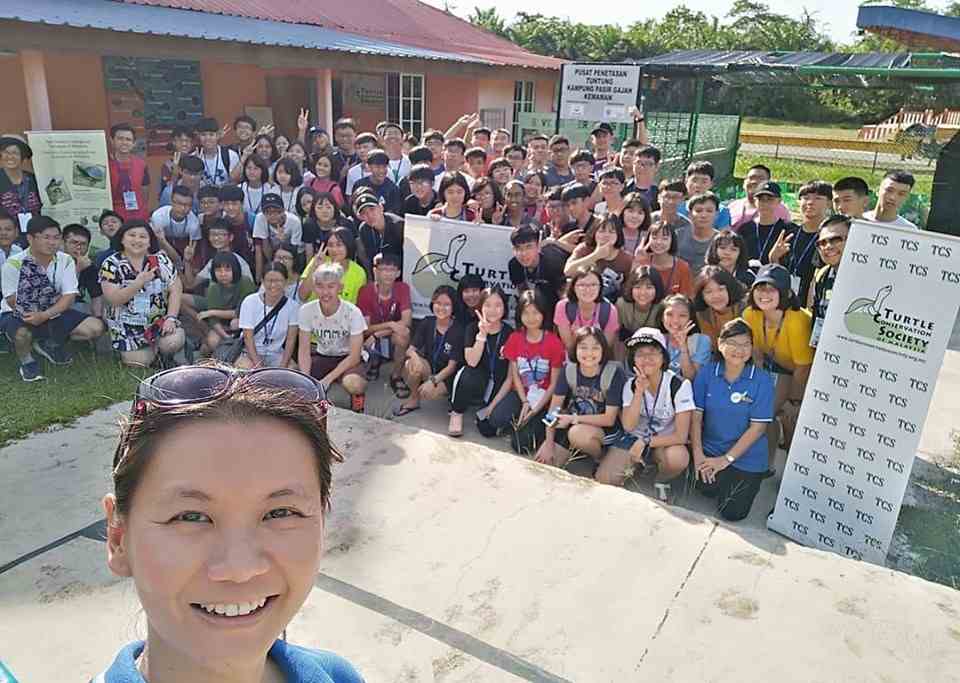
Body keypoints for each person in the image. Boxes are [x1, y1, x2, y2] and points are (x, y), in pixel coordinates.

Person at [97, 364, 364, 683]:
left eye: (280, 513)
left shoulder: (337, 675)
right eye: (191, 517)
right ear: (118, 537)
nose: (240, 569)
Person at [691, 317, 774, 521]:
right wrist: (698, 454)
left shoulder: (762, 380)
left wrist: (725, 460)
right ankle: (720, 478)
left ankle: (749, 480)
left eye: (745, 344)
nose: (739, 350)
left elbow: (758, 429)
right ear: (720, 344)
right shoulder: (708, 373)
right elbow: (696, 416)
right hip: (711, 449)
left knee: (732, 512)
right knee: (704, 488)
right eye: (733, 343)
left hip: (746, 457)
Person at [1, 216, 104, 380]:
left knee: (95, 327)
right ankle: (27, 362)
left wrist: (45, 315)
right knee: (22, 334)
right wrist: (34, 316)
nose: (52, 242)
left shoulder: (65, 260)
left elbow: (69, 296)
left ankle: (48, 343)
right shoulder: (14, 263)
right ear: (30, 238)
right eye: (46, 237)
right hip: (19, 312)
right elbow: (12, 299)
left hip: (51, 311)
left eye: (56, 238)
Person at [598, 327, 694, 487]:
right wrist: (639, 392)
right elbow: (628, 426)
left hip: (664, 442)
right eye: (640, 354)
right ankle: (635, 466)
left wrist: (646, 441)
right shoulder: (630, 385)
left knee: (678, 458)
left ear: (663, 357)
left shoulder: (679, 385)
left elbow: (681, 437)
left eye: (652, 352)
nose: (646, 358)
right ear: (633, 359)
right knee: (605, 479)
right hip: (633, 438)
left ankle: (660, 479)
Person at [742, 264, 814, 468]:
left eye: (771, 289)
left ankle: (792, 462)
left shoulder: (798, 321)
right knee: (764, 410)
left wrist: (793, 400)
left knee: (787, 414)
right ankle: (767, 464)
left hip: (800, 373)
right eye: (760, 287)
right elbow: (756, 353)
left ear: (786, 293)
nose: (764, 294)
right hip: (773, 367)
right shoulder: (750, 314)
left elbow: (803, 368)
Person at [481, 289, 565, 453]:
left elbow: (554, 385)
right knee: (491, 423)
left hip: (545, 400)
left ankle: (531, 426)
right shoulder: (515, 338)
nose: (531, 318)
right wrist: (524, 402)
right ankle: (517, 420)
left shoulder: (554, 342)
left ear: (543, 314)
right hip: (522, 395)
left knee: (520, 445)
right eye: (526, 313)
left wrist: (535, 410)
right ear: (519, 314)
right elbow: (514, 378)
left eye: (535, 312)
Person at [533, 326, 626, 470]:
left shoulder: (614, 372)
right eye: (583, 347)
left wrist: (573, 419)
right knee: (543, 463)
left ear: (603, 350)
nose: (589, 353)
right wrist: (549, 444)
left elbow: (609, 419)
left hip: (603, 431)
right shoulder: (569, 370)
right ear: (575, 350)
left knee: (578, 434)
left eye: (595, 348)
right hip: (575, 423)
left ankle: (599, 457)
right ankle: (579, 450)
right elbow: (553, 410)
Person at [100, 219, 185, 367]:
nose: (137, 240)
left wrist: (171, 318)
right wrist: (138, 283)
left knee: (173, 341)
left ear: (150, 242)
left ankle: (163, 352)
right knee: (138, 362)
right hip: (126, 327)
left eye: (143, 236)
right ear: (122, 238)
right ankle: (148, 353)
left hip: (158, 323)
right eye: (132, 235)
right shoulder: (111, 264)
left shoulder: (160, 260)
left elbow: (176, 288)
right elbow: (113, 300)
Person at [298, 261, 367, 411]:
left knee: (353, 383)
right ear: (315, 288)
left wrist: (327, 380)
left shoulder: (352, 313)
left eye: (331, 286)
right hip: (323, 354)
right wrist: (306, 380)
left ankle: (358, 401)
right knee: (298, 385)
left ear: (340, 288)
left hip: (347, 356)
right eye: (320, 286)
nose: (325, 292)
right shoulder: (306, 310)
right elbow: (303, 350)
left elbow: (354, 356)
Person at [447, 286, 513, 438]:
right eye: (487, 305)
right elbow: (472, 361)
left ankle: (486, 412)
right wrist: (482, 335)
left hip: (498, 383)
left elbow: (510, 373)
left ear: (504, 308)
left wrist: (493, 406)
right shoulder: (471, 328)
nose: (492, 310)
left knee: (487, 430)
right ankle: (457, 412)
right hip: (478, 377)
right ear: (480, 307)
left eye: (498, 305)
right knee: (466, 375)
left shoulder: (509, 333)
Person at [394, 285, 464, 416]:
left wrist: (433, 381)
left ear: (454, 306)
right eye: (438, 303)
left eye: (447, 304)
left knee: (430, 394)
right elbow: (410, 350)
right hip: (430, 368)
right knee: (412, 364)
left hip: (447, 376)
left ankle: (450, 399)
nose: (441, 308)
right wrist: (415, 359)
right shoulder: (428, 322)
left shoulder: (458, 330)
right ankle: (414, 399)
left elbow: (451, 367)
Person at [357, 253, 412, 397]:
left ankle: (396, 375)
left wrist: (379, 333)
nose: (387, 274)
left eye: (392, 270)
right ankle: (375, 361)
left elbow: (407, 321)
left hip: (382, 335)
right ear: (375, 271)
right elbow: (365, 328)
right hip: (369, 337)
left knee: (403, 334)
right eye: (383, 269)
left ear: (398, 272)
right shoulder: (366, 291)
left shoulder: (403, 288)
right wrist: (391, 324)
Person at [769, 180, 831, 302]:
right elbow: (777, 269)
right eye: (805, 198)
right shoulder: (789, 232)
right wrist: (773, 257)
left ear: (829, 203)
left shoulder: (830, 238)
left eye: (817, 198)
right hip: (784, 299)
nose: (810, 202)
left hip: (813, 302)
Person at [237, 261, 299, 368]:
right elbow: (248, 337)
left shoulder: (293, 307)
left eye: (278, 281)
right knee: (247, 371)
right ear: (262, 281)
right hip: (249, 353)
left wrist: (283, 367)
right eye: (269, 281)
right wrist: (258, 366)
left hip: (276, 354)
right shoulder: (250, 301)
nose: (273, 285)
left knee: (292, 370)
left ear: (285, 282)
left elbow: (290, 340)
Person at [199, 251, 257, 356]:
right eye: (218, 270)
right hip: (223, 326)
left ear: (234, 269)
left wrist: (212, 312)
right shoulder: (213, 287)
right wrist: (226, 337)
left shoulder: (245, 282)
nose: (223, 274)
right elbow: (213, 321)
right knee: (212, 341)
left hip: (245, 323)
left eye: (227, 270)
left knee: (235, 324)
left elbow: (241, 312)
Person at [563, 217, 632, 303]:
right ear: (594, 232)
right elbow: (568, 271)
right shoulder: (584, 249)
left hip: (610, 303)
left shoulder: (626, 258)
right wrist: (595, 255)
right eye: (602, 231)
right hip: (582, 298)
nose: (606, 235)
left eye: (611, 232)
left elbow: (629, 288)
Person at [807, 214, 851, 348]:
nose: (827, 246)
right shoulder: (822, 275)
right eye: (822, 243)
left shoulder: (869, 279)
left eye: (835, 239)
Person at [554, 266, 619, 350]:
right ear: (573, 287)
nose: (588, 290)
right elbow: (569, 345)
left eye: (593, 285)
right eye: (582, 285)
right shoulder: (563, 307)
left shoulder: (610, 310)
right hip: (572, 356)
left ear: (600, 287)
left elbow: (606, 346)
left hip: (598, 357)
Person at [299, 227, 368, 305]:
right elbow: (302, 296)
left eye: (339, 245)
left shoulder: (359, 272)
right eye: (330, 245)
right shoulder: (317, 261)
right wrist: (314, 268)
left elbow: (355, 306)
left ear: (348, 245)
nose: (334, 249)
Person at [508, 225, 566, 313]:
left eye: (529, 247)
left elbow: (564, 297)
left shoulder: (553, 263)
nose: (523, 253)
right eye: (518, 248)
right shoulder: (514, 264)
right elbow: (523, 293)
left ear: (538, 247)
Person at [738, 181, 793, 265]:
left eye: (770, 199)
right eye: (761, 200)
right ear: (755, 201)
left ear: (779, 201)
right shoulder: (744, 229)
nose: (765, 204)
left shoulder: (788, 230)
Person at [634, 222, 694, 297]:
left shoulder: (682, 267)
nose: (659, 242)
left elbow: (686, 298)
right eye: (654, 238)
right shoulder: (642, 261)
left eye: (665, 238)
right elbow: (630, 289)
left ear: (672, 240)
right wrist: (636, 261)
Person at [253, 192, 303, 282]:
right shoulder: (260, 219)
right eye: (268, 212)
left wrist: (282, 242)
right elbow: (260, 248)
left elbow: (295, 252)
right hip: (271, 253)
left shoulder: (294, 221)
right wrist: (258, 277)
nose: (273, 215)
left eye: (277, 211)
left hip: (291, 253)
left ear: (284, 210)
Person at [616, 265, 665, 354]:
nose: (643, 292)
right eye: (638, 287)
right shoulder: (621, 305)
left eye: (649, 287)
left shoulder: (663, 307)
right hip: (627, 350)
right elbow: (617, 337)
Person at [693, 266, 745, 350]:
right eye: (708, 292)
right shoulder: (703, 315)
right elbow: (712, 346)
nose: (716, 296)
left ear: (729, 289)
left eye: (721, 289)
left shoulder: (744, 310)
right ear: (702, 296)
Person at [727, 164, 791, 232]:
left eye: (760, 178)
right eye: (751, 178)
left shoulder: (780, 209)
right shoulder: (732, 207)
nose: (754, 181)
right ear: (744, 182)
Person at [108, 123, 152, 222]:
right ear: (112, 141)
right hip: (114, 217)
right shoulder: (105, 164)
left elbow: (145, 191)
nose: (124, 142)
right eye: (120, 139)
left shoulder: (141, 164)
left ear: (134, 143)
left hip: (138, 215)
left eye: (128, 139)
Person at [150, 184, 202, 263]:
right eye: (179, 203)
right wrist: (163, 241)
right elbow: (159, 247)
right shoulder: (158, 216)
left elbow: (190, 255)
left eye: (187, 205)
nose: (183, 208)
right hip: (162, 244)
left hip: (183, 243)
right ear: (171, 201)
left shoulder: (194, 223)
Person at [354, 194, 403, 274]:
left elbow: (407, 256)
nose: (369, 215)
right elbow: (369, 258)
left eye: (372, 209)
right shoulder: (364, 229)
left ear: (381, 208)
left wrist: (386, 258)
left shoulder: (398, 225)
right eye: (364, 213)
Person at [0, 134, 41, 222]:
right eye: (6, 152)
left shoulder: (34, 180)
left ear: (23, 158)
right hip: (4, 233)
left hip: (33, 232)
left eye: (15, 153)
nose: (10, 156)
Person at [62, 223, 100, 317]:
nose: (78, 247)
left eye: (83, 244)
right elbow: (55, 294)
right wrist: (77, 270)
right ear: (63, 242)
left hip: (76, 306)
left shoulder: (88, 266)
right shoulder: (53, 262)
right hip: (51, 308)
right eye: (74, 242)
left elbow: (96, 296)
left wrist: (98, 318)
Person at [677, 161, 731, 228]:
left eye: (704, 181)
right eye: (694, 180)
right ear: (686, 181)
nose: (698, 185)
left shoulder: (721, 211)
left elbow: (724, 235)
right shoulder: (676, 208)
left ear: (711, 184)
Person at [676, 192, 719, 273]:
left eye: (709, 211)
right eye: (699, 211)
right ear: (689, 215)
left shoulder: (721, 240)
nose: (704, 215)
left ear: (716, 214)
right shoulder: (677, 236)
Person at [353, 149, 403, 215]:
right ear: (369, 167)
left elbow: (394, 214)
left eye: (384, 167)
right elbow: (354, 210)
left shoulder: (393, 188)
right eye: (377, 167)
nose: (381, 171)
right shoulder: (359, 185)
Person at [301, 192, 350, 258]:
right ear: (313, 210)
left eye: (328, 207)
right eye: (319, 208)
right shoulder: (309, 225)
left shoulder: (345, 224)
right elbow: (309, 253)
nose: (324, 211)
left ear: (334, 208)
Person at [194, 117, 240, 187]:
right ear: (198, 136)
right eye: (203, 135)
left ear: (218, 135)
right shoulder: (193, 156)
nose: (207, 138)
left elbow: (236, 181)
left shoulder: (230, 155)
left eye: (211, 134)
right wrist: (197, 164)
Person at [218, 183, 255, 267]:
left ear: (242, 203)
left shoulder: (252, 220)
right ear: (221, 205)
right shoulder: (222, 222)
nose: (230, 207)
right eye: (226, 204)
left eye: (234, 203)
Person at [158, 124, 195, 201]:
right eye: (181, 141)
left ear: (192, 143)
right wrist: (175, 172)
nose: (184, 144)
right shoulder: (167, 165)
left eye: (187, 140)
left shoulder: (197, 161)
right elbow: (167, 192)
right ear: (174, 142)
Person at [625, 145, 661, 210]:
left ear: (657, 166)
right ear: (633, 164)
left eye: (648, 164)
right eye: (638, 163)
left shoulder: (660, 194)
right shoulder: (621, 188)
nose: (642, 167)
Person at [619, 192, 652, 256]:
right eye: (631, 211)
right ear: (622, 211)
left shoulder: (649, 237)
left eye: (640, 213)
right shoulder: (613, 233)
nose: (635, 216)